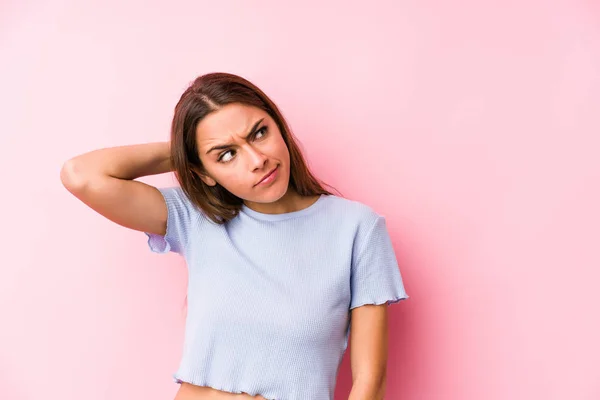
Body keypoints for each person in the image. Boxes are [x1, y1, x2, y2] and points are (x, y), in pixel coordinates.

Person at [60, 72, 409, 400]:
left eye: (259, 132)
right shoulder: (195, 217)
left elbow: (369, 382)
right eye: (227, 155)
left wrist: (216, 150)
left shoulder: (357, 228)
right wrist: (187, 151)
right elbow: (81, 175)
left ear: (279, 126)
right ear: (203, 172)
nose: (257, 160)